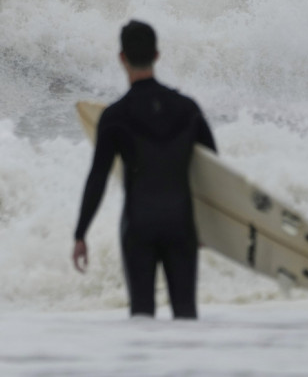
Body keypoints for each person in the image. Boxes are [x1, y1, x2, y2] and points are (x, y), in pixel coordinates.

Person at [72, 20, 216, 319]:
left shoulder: (115, 116)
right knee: (187, 316)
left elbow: (97, 176)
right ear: (157, 55)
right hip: (181, 224)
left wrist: (80, 234)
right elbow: (211, 169)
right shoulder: (187, 108)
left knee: (141, 317)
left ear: (122, 58)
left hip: (139, 226)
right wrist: (208, 225)